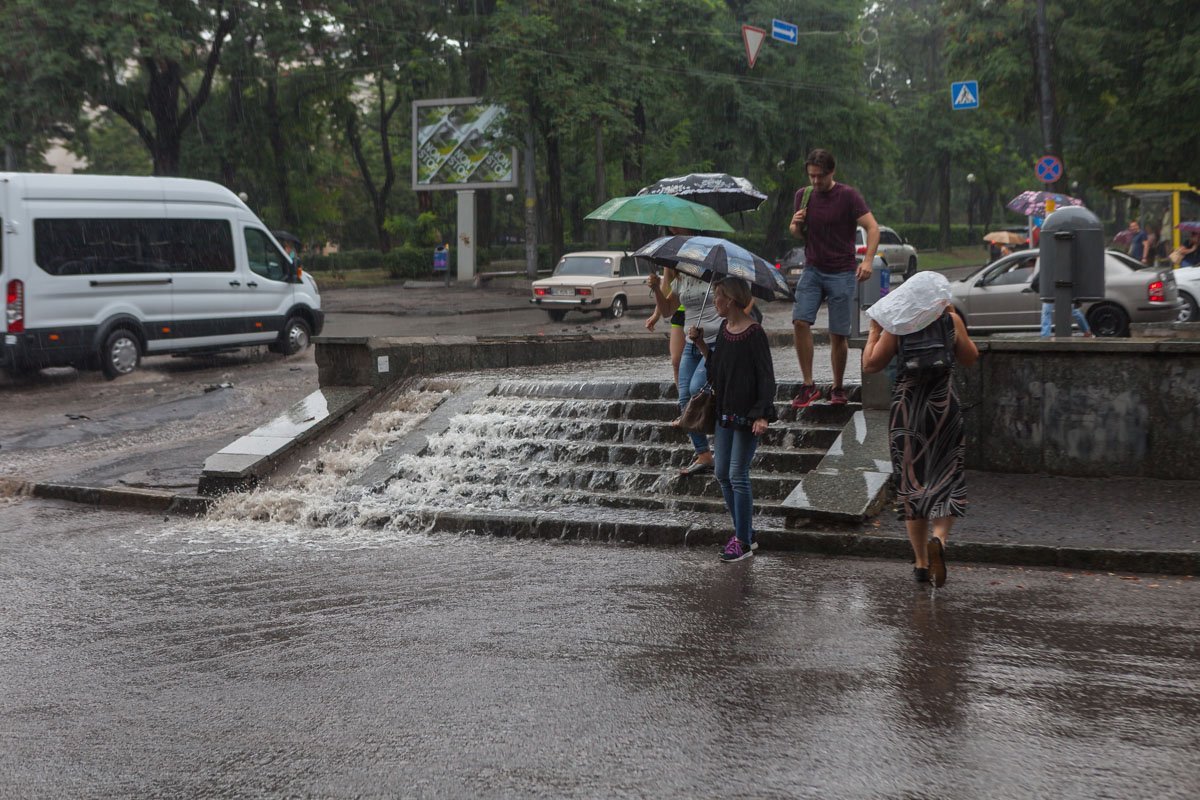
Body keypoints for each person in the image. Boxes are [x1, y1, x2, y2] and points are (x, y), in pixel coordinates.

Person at [861, 282, 979, 587]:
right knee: (947, 476)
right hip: (944, 410)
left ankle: (921, 563)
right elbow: (970, 357)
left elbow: (871, 364)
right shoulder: (950, 320)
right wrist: (953, 321)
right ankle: (939, 539)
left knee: (911, 483)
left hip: (908, 412)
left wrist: (874, 330)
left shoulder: (898, 326)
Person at [687, 277, 777, 562]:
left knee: (738, 474)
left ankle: (742, 541)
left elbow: (766, 376)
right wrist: (701, 344)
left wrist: (762, 414)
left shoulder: (754, 333)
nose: (714, 301)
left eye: (718, 297)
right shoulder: (725, 331)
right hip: (724, 413)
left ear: (732, 300)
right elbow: (717, 369)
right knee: (722, 473)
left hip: (747, 415)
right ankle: (745, 532)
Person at [788, 148, 880, 408]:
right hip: (813, 269)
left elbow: (872, 228)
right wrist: (795, 225)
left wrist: (868, 261)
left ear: (832, 172)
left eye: (820, 176)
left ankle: (837, 387)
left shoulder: (848, 196)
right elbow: (798, 232)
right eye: (812, 176)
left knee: (838, 333)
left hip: (842, 271)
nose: (816, 181)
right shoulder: (803, 196)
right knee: (800, 321)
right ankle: (808, 385)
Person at [649, 265, 721, 476]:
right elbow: (667, 310)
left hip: (715, 341)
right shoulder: (683, 278)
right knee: (684, 399)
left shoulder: (716, 276)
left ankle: (723, 443)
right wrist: (656, 288)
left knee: (697, 388)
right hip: (692, 342)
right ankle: (703, 454)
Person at [1032, 270, 1094, 337]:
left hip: (1051, 290)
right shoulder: (1062, 266)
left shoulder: (1049, 266)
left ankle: (1045, 335)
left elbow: (1036, 280)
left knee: (1046, 312)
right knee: (1074, 311)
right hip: (1062, 289)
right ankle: (1086, 331)